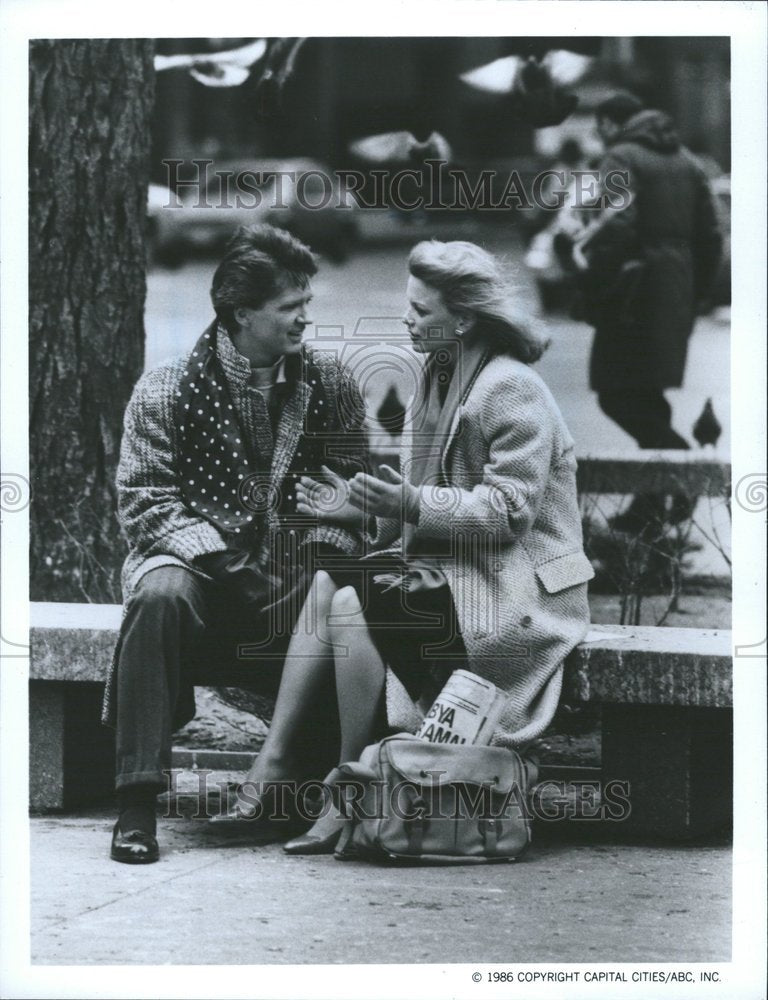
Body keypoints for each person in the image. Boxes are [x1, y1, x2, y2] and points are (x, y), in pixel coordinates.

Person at [220, 240, 594, 854]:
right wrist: (361, 510)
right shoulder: (437, 380)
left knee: (348, 600)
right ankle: (298, 768)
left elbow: (509, 513)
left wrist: (408, 504)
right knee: (331, 584)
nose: (408, 321)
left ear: (464, 320)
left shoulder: (510, 388)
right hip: (461, 576)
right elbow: (415, 507)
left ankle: (341, 789)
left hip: (517, 595)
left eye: (421, 312)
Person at [104, 224, 368, 864]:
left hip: (294, 584)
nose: (305, 319)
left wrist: (313, 551)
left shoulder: (329, 386)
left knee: (347, 600)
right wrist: (230, 564)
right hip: (199, 577)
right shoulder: (165, 390)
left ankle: (314, 787)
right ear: (241, 313)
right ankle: (137, 805)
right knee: (158, 597)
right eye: (290, 308)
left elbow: (351, 498)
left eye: (306, 303)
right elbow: (145, 503)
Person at [577, 93, 722, 530]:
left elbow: (617, 222)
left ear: (609, 122)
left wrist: (594, 279)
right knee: (646, 395)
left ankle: (683, 471)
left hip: (632, 292)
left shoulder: (620, 156)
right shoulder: (689, 161)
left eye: (599, 124)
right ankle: (650, 507)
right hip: (674, 290)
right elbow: (712, 235)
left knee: (616, 391)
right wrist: (693, 292)